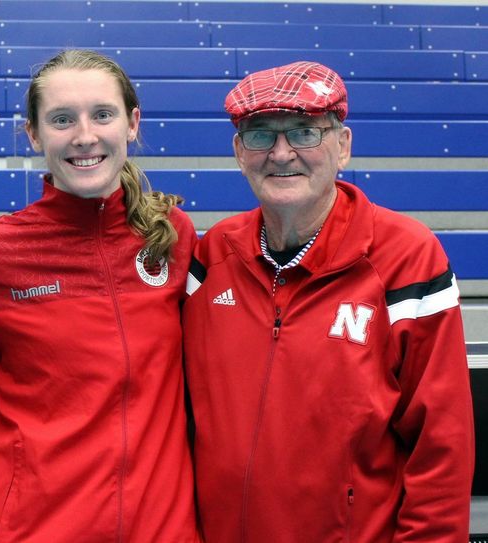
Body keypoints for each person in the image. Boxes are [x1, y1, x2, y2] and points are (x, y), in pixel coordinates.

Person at [183, 61, 475, 542]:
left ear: (342, 146)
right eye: (260, 135)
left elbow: (441, 445)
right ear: (238, 152)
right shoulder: (212, 255)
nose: (281, 153)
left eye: (304, 132)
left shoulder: (406, 257)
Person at [0, 49, 200, 542]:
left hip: (164, 530)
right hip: (34, 529)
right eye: (62, 119)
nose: (85, 136)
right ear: (34, 134)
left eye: (102, 114)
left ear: (131, 123)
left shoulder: (172, 235)